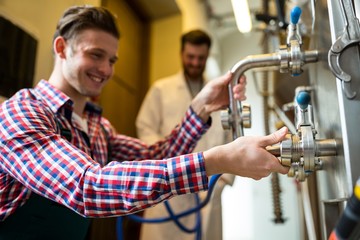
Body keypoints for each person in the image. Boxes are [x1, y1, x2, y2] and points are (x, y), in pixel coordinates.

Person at [0, 5, 289, 240]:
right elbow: (87, 186)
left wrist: (202, 106)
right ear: (62, 48)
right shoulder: (21, 114)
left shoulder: (96, 127)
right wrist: (216, 161)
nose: (105, 70)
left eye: (112, 60)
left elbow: (158, 155)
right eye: (95, 55)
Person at [136, 29, 234, 240]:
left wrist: (223, 180)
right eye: (191, 57)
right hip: (168, 191)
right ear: (181, 54)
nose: (195, 63)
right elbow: (145, 129)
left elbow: (230, 136)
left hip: (208, 189)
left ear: (207, 57)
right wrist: (166, 168)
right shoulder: (161, 89)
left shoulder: (220, 94)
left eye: (201, 58)